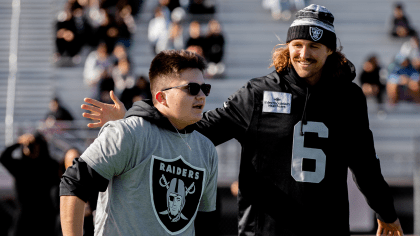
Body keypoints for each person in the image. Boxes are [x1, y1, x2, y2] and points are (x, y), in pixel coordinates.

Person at [80, 5, 404, 236]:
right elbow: (199, 129)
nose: (304, 54)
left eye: (315, 46)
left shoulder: (348, 98)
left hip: (326, 227)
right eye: (298, 45)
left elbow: (364, 164)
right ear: (287, 47)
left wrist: (387, 214)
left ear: (331, 51)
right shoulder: (258, 93)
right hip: (264, 228)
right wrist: (140, 120)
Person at [60, 50, 219, 236]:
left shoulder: (206, 149)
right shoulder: (127, 132)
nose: (201, 96)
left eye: (205, 88)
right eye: (192, 88)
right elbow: (74, 183)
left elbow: (205, 222)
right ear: (162, 98)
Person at [0, 132, 60, 236]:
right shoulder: (20, 166)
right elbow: (4, 158)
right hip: (24, 213)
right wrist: (19, 142)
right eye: (28, 146)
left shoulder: (51, 165)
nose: (31, 149)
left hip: (45, 214)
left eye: (35, 145)